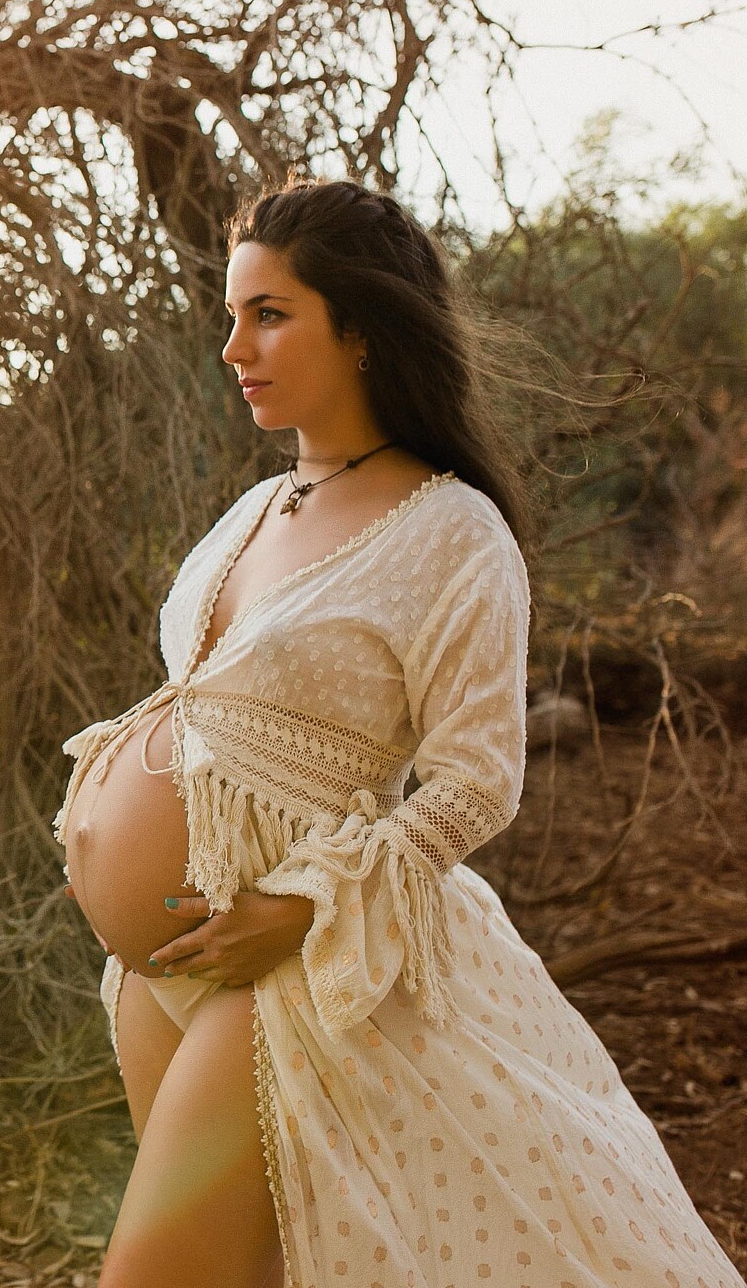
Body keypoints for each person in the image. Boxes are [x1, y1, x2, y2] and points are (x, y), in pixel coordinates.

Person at [50, 177, 746, 1288]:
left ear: (363, 329)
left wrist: (302, 907)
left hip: (291, 970)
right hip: (158, 972)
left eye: (268, 313)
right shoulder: (257, 506)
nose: (232, 345)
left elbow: (475, 781)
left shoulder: (451, 531)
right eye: (231, 313)